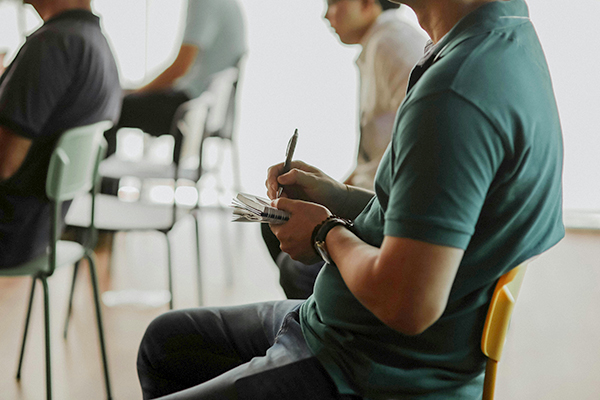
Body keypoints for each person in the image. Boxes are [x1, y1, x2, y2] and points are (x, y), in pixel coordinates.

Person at [136, 0, 564, 398]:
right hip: (346, 328)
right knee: (166, 341)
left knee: (172, 352)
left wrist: (325, 233)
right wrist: (337, 196)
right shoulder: (504, 35)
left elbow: (408, 303)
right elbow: (431, 220)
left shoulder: (455, 92)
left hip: (367, 363)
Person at [261, 0, 427, 299]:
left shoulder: (391, 44)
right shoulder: (381, 42)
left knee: (292, 260)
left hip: (386, 209)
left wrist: (339, 209)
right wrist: (334, 188)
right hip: (377, 199)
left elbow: (412, 155)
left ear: (367, 3)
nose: (326, 15)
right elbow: (377, 153)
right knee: (274, 218)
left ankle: (321, 325)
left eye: (335, 3)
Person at [0, 0, 121, 267]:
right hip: (42, 231)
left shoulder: (52, 44)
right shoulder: (94, 41)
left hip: (9, 233)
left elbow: (3, 164)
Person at [103, 0, 247, 158]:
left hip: (189, 109)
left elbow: (180, 68)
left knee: (109, 106)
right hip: (202, 108)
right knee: (118, 102)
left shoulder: (204, 2)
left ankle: (101, 181)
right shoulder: (230, 4)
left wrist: (137, 92)